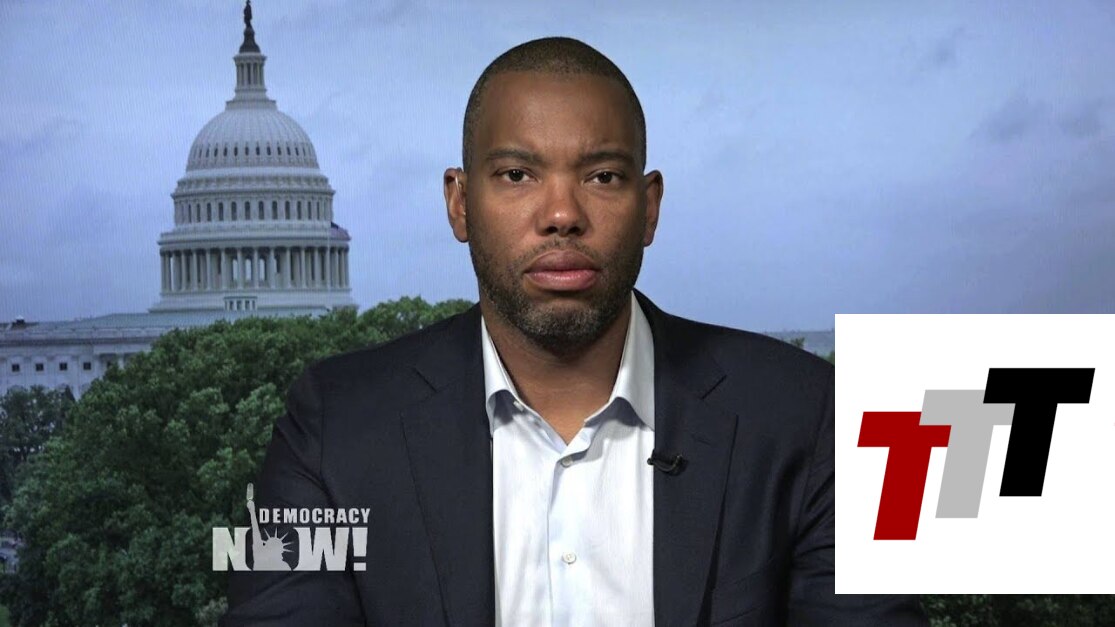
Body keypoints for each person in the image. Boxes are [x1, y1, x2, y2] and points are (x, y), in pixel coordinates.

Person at [223, 37, 926, 626]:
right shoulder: (329, 424)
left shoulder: (816, 415)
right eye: (517, 174)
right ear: (459, 204)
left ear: (649, 207)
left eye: (602, 176)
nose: (561, 214)